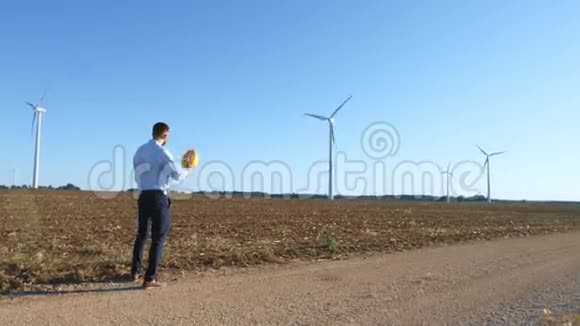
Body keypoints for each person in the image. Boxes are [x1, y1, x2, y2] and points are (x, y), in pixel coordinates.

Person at [131, 122, 192, 289]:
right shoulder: (163, 153)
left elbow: (137, 173)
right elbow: (177, 175)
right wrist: (188, 166)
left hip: (143, 195)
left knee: (142, 234)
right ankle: (150, 278)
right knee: (158, 238)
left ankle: (135, 272)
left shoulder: (139, 151)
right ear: (165, 135)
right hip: (158, 197)